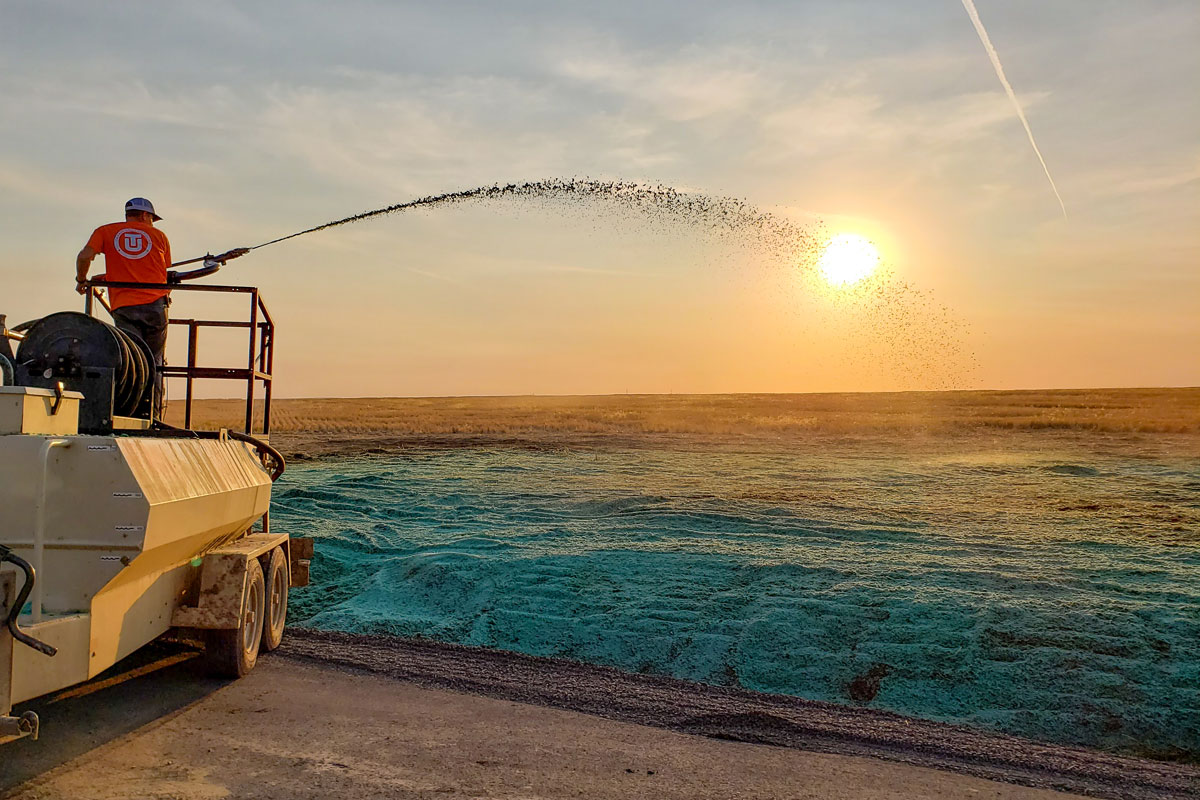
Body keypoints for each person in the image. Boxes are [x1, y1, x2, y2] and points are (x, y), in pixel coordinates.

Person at [75, 197, 172, 415]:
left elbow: (85, 256)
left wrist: (82, 279)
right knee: (154, 362)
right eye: (152, 219)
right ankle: (152, 416)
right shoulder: (160, 236)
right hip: (156, 306)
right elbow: (162, 273)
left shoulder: (105, 231)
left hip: (124, 307)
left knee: (130, 360)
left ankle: (127, 413)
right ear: (146, 215)